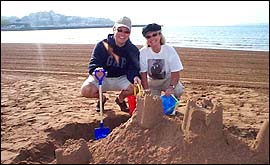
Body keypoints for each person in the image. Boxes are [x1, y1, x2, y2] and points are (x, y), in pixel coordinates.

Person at [81, 16, 141, 113]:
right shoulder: (102, 45)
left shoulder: (132, 50)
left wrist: (135, 76)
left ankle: (120, 99)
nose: (122, 34)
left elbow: (133, 68)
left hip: (121, 78)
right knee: (85, 90)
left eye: (126, 31)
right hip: (103, 77)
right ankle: (102, 99)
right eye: (120, 30)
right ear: (114, 29)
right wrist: (96, 70)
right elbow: (94, 64)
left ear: (130, 33)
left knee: (136, 88)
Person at [139, 23, 184, 100]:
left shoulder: (169, 50)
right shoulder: (143, 52)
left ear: (160, 35)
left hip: (167, 80)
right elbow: (143, 74)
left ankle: (173, 101)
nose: (152, 38)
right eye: (148, 36)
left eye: (154, 35)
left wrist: (171, 87)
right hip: (152, 83)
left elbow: (175, 73)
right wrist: (146, 89)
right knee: (152, 101)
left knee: (178, 90)